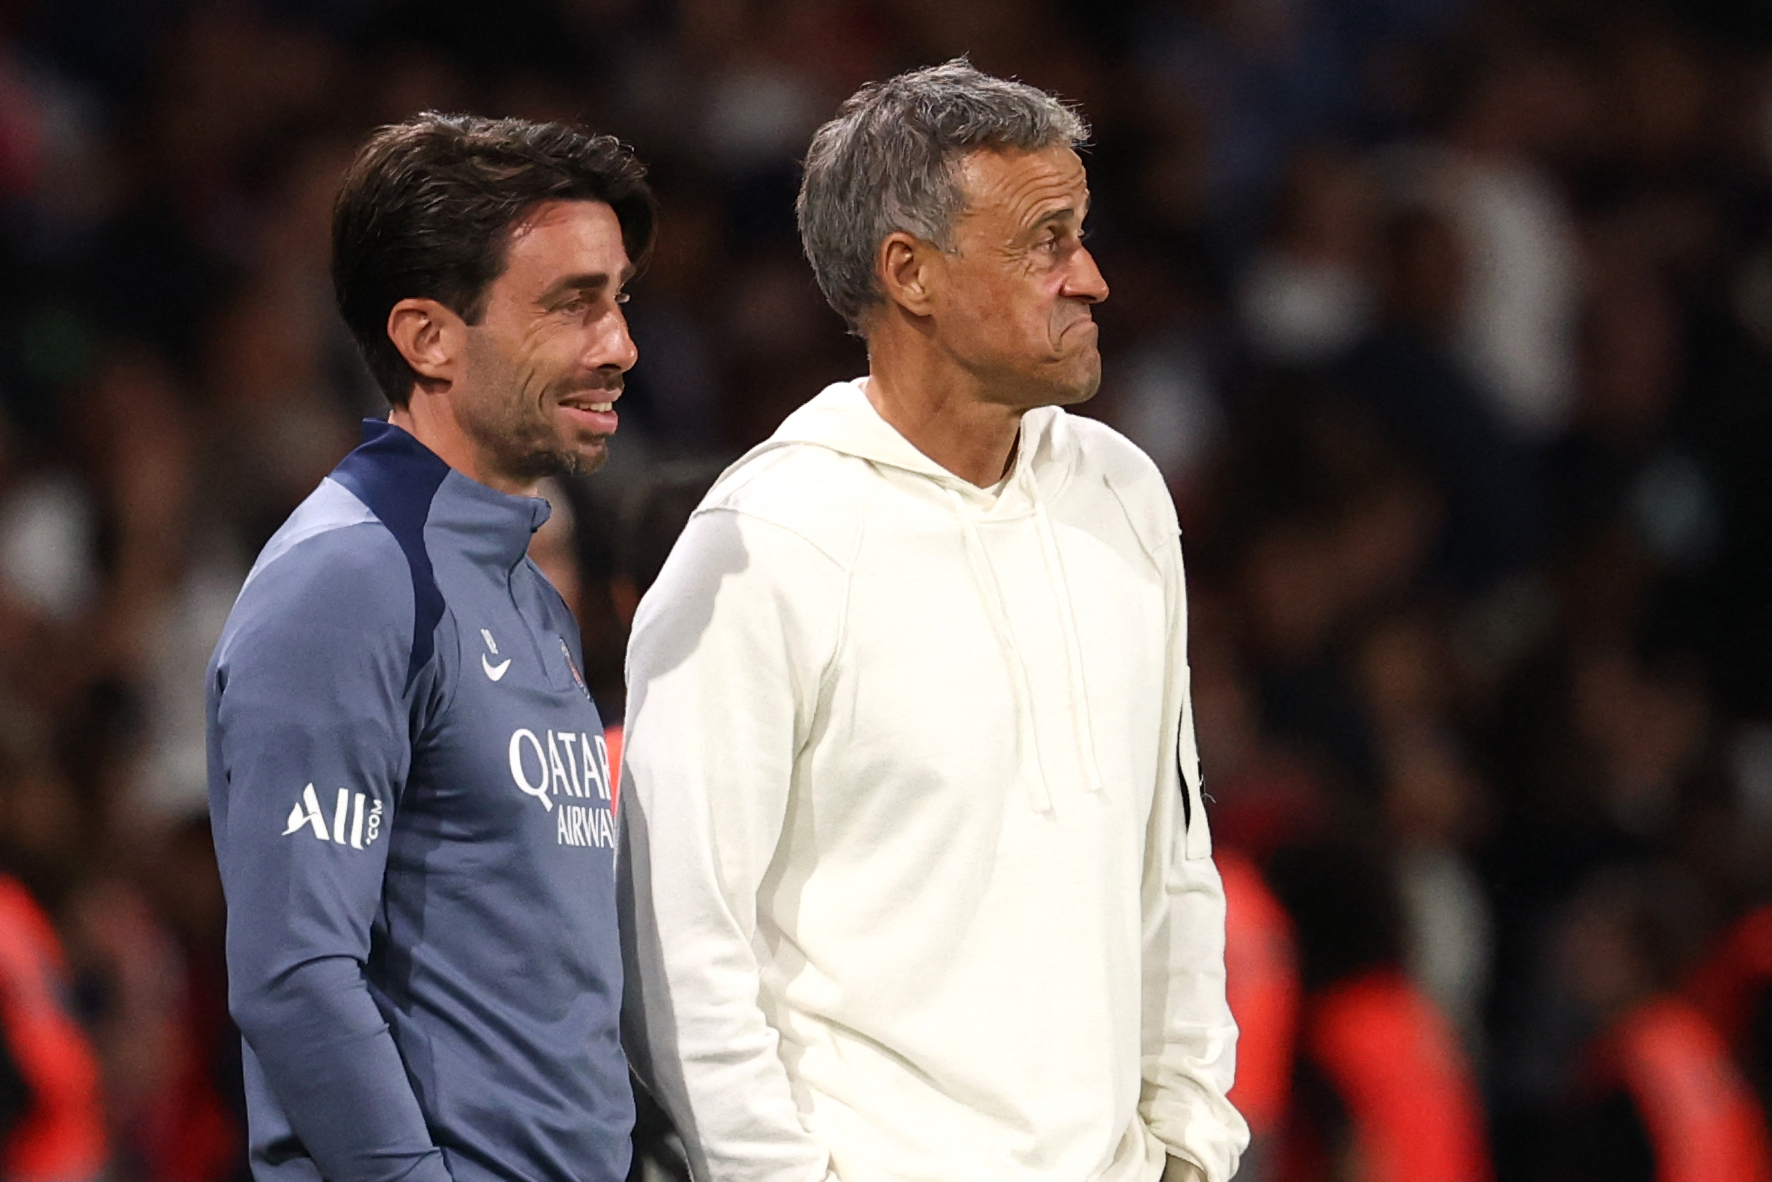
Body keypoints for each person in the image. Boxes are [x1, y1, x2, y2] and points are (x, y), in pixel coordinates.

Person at [619, 61, 1248, 1182]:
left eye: (1082, 233)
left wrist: (1191, 1143)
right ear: (908, 273)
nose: (1092, 278)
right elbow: (683, 945)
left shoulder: (1124, 496)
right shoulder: (764, 543)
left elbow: (1174, 862)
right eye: (1045, 242)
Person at [206, 113, 652, 1182]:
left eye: (620, 301)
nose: (619, 346)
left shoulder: (527, 594)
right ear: (426, 337)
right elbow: (296, 974)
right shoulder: (349, 580)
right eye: (571, 304)